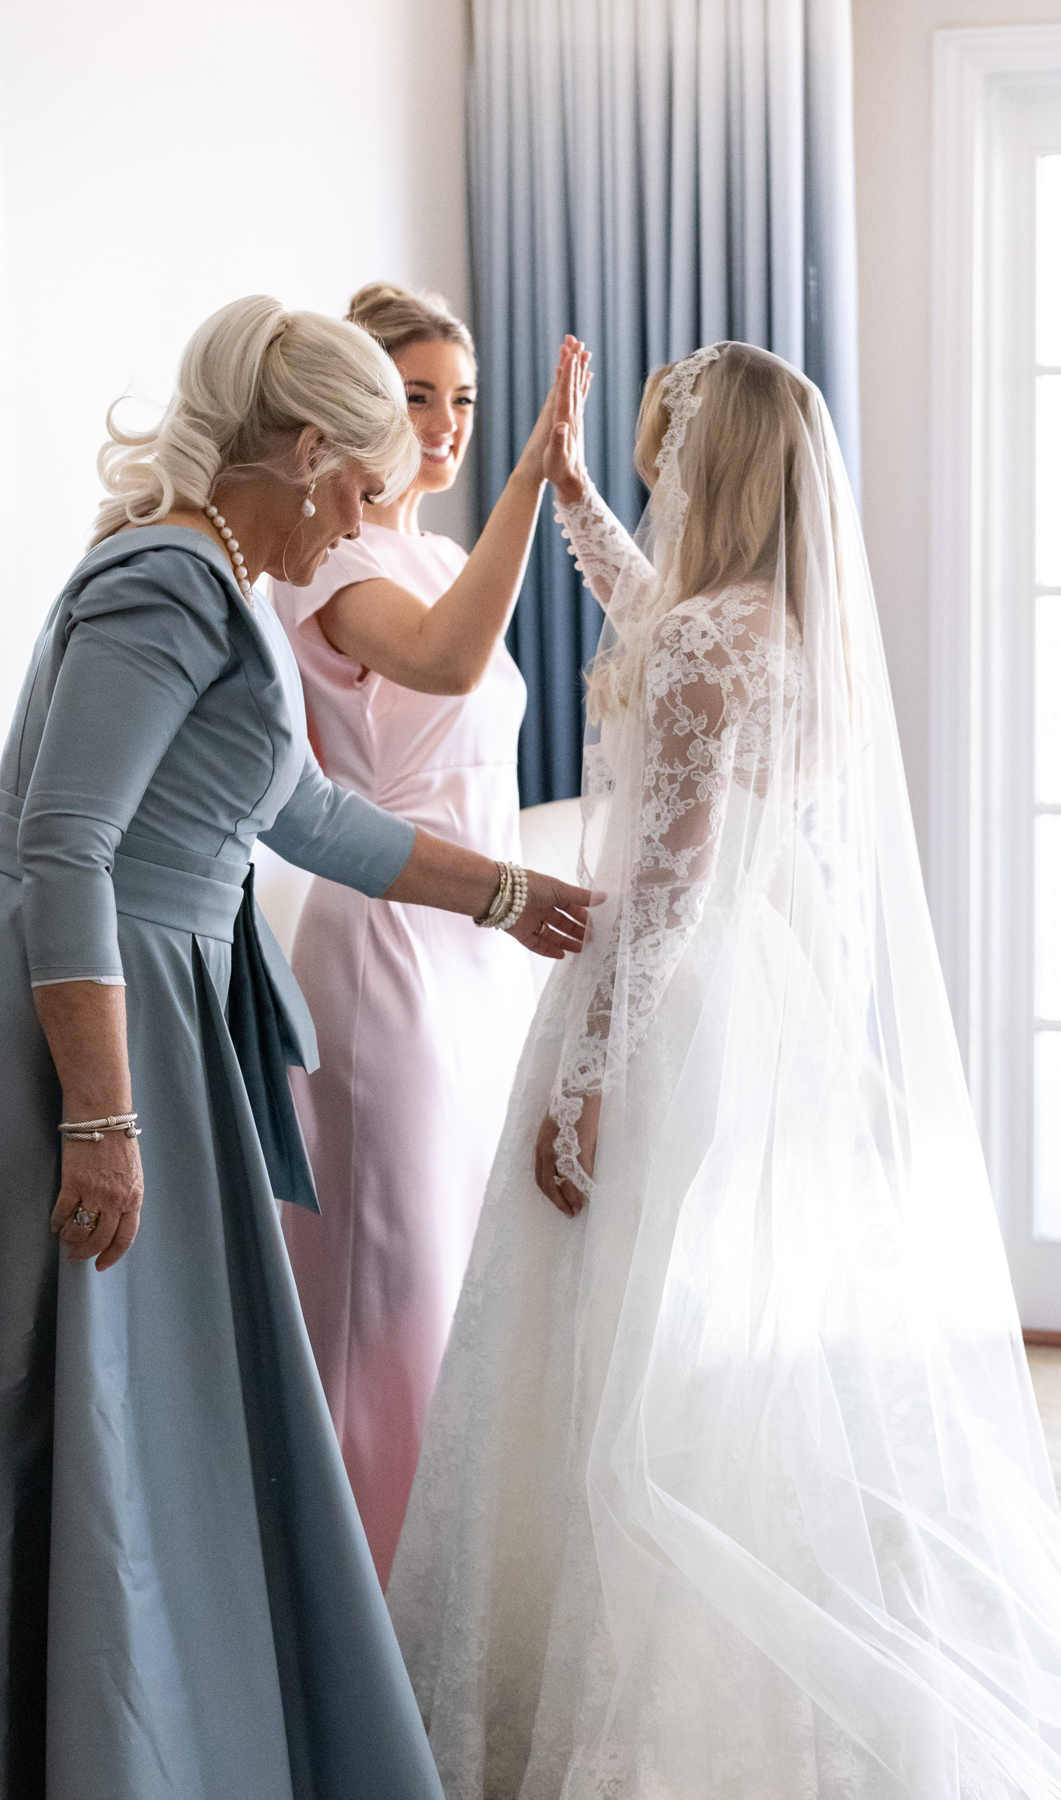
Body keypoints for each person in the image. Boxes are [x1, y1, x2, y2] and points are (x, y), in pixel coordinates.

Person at [0, 295, 591, 1800]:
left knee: (119, 1403)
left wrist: (508, 893)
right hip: (52, 1026)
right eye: (366, 479)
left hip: (136, 1004)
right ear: (308, 450)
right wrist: (100, 1116)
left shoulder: (229, 585)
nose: (371, 514)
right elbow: (69, 848)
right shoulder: (167, 585)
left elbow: (302, 814)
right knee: (25, 1402)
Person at [387, 342, 1061, 1799]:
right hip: (763, 996)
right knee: (720, 1328)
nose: (655, 474)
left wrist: (587, 1078)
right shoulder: (784, 629)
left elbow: (666, 888)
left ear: (713, 463)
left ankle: (602, 1675)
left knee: (618, 1337)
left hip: (667, 1002)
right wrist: (570, 497)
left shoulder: (707, 640)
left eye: (664, 454)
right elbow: (653, 619)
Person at [273, 285, 589, 1585]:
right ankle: (356, 1597)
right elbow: (451, 667)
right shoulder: (331, 563)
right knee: (379, 1281)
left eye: (462, 399)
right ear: (356, 404)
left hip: (477, 948)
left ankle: (442, 1586)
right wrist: (530, 478)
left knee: (451, 1271)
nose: (445, 424)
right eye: (416, 397)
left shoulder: (449, 555)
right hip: (386, 942)